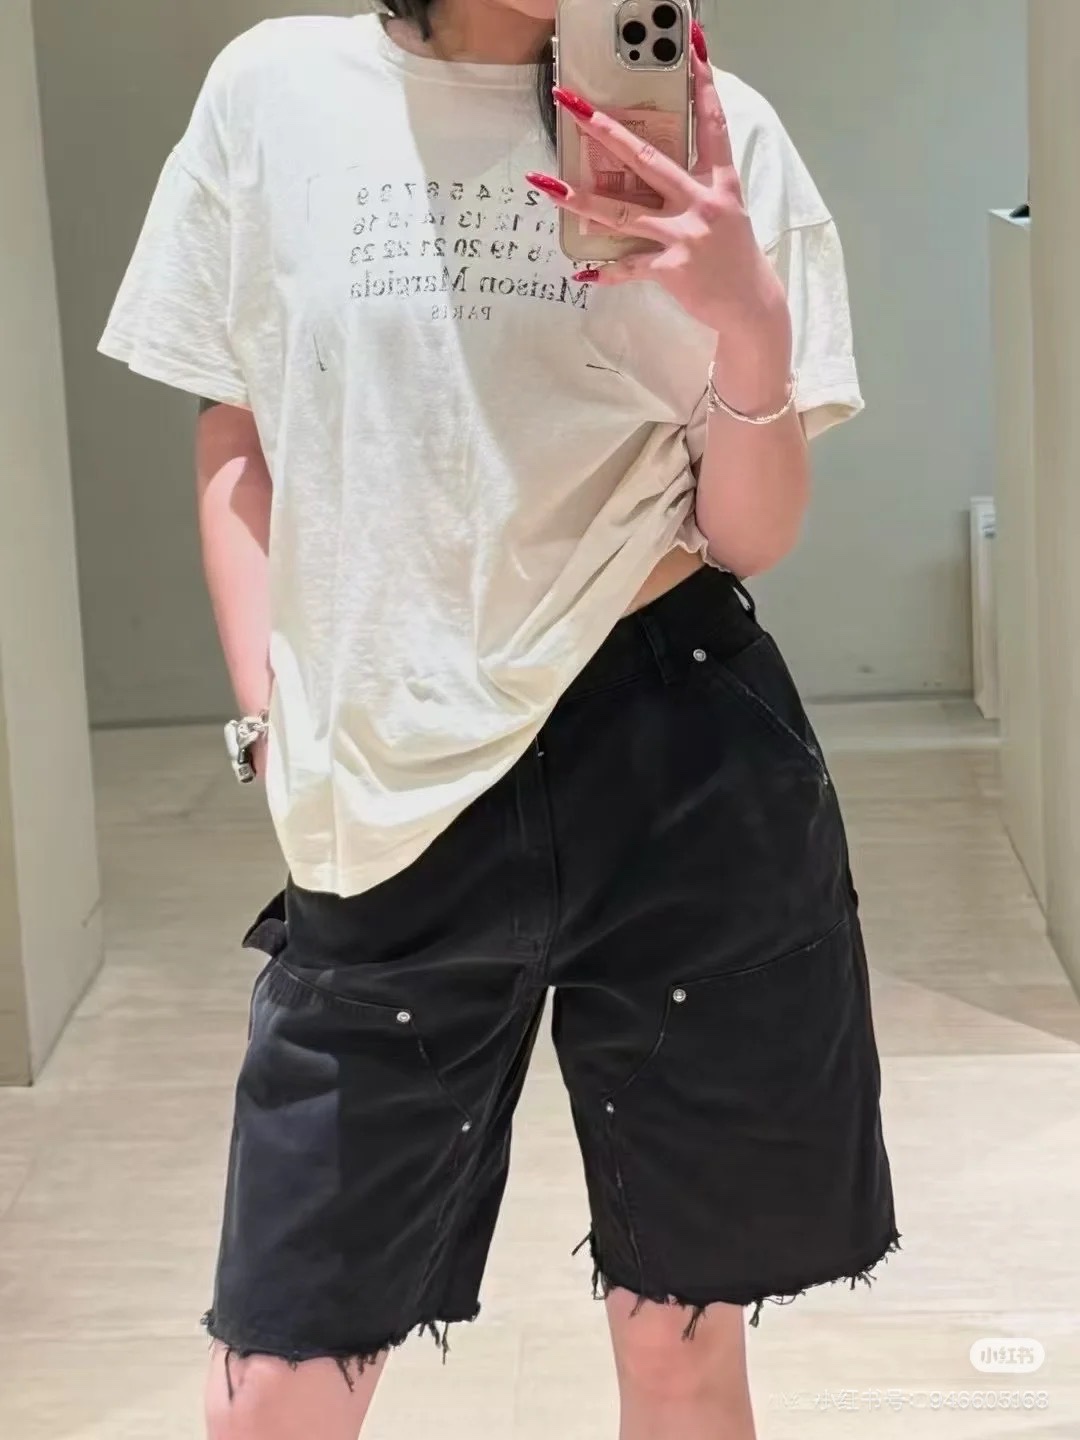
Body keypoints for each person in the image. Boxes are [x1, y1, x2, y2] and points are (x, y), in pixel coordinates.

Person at [99, 3, 898, 1437]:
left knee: (681, 1340)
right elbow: (238, 429)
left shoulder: (717, 135)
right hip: (391, 784)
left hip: (677, 753)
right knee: (276, 1380)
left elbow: (750, 536)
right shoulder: (278, 89)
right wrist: (273, 717)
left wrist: (748, 321)